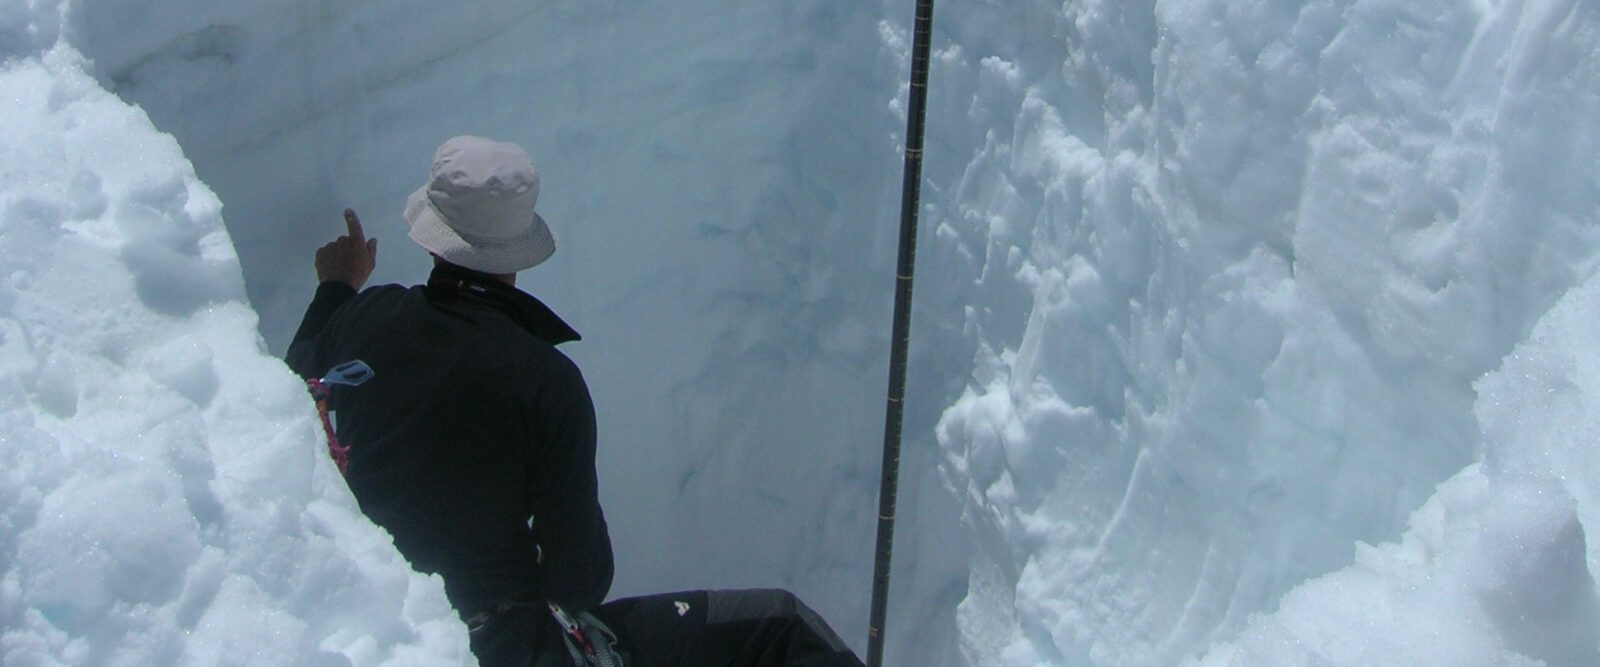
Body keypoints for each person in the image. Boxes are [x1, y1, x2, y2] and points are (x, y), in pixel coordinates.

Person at [287, 135, 863, 667]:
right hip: (508, 647)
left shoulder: (365, 317)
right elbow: (582, 580)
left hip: (384, 626)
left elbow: (293, 381)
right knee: (782, 629)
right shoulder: (545, 380)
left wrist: (337, 284)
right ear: (518, 250)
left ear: (433, 235)